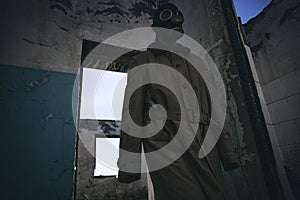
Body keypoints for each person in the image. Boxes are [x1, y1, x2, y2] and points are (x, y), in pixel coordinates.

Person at [117, 3, 240, 199]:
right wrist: (129, 165)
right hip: (165, 145)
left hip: (204, 143)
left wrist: (227, 153)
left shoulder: (197, 62)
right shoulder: (143, 62)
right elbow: (132, 114)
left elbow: (216, 107)